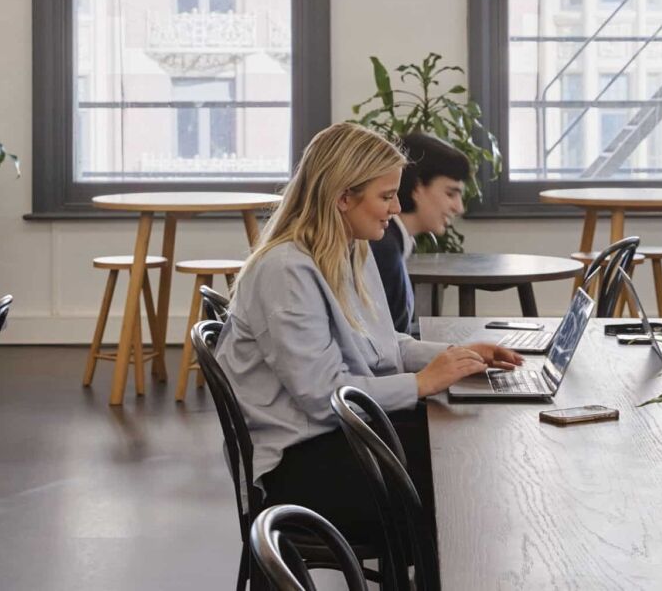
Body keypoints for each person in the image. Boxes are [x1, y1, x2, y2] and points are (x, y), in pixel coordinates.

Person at [215, 122, 522, 540]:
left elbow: (382, 343)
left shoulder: (348, 248)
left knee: (469, 455)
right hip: (297, 464)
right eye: (386, 195)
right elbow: (324, 398)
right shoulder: (286, 270)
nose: (397, 207)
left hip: (335, 434)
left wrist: (455, 354)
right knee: (460, 483)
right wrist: (421, 383)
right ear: (343, 197)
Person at [369, 132, 471, 333]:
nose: (459, 208)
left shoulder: (394, 241)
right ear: (417, 188)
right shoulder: (383, 248)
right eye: (450, 193)